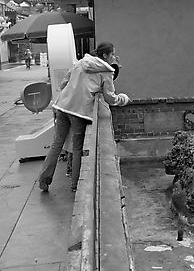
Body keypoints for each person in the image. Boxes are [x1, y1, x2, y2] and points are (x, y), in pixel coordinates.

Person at [37, 42, 131, 192]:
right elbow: (110, 98)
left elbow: (63, 83)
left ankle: (44, 180)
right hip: (79, 112)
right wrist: (123, 99)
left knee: (57, 144)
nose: (113, 57)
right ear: (105, 55)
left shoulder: (81, 62)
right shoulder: (107, 72)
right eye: (112, 54)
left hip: (62, 106)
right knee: (77, 148)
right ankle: (75, 186)